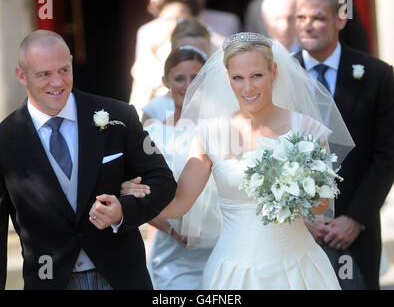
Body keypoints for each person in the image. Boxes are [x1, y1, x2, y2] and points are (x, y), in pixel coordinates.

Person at [122, 32, 355, 289]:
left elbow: (321, 207)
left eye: (257, 76)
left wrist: (299, 187)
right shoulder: (210, 133)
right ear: (227, 78)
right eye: (238, 78)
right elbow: (179, 204)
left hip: (299, 269)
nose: (248, 88)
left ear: (274, 72)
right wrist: (136, 199)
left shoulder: (308, 130)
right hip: (235, 272)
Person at [0, 30, 177, 290]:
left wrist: (123, 210)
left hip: (122, 278)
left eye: (63, 70)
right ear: (21, 76)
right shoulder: (5, 140)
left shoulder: (120, 116)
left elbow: (163, 181)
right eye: (44, 74)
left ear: (71, 62)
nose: (57, 82)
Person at [294, 0, 394, 290]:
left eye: (318, 18)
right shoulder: (276, 75)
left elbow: (387, 154)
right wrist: (302, 219)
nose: (307, 25)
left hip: (356, 228)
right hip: (295, 230)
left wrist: (355, 218)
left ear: (340, 19)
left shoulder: (378, 75)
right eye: (301, 17)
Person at [125, 46, 221, 289]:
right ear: (165, 81)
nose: (188, 85)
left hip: (224, 247)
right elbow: (138, 193)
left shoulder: (223, 131)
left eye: (195, 78)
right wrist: (171, 231)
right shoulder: (152, 135)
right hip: (174, 251)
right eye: (179, 78)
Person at [129, 0, 203, 119]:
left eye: (180, 19)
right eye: (168, 19)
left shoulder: (200, 41)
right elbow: (142, 74)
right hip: (153, 103)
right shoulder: (148, 35)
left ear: (193, 19)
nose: (174, 24)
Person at [141, 19, 212, 124]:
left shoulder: (224, 103)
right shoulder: (154, 110)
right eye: (185, 54)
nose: (192, 61)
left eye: (200, 54)